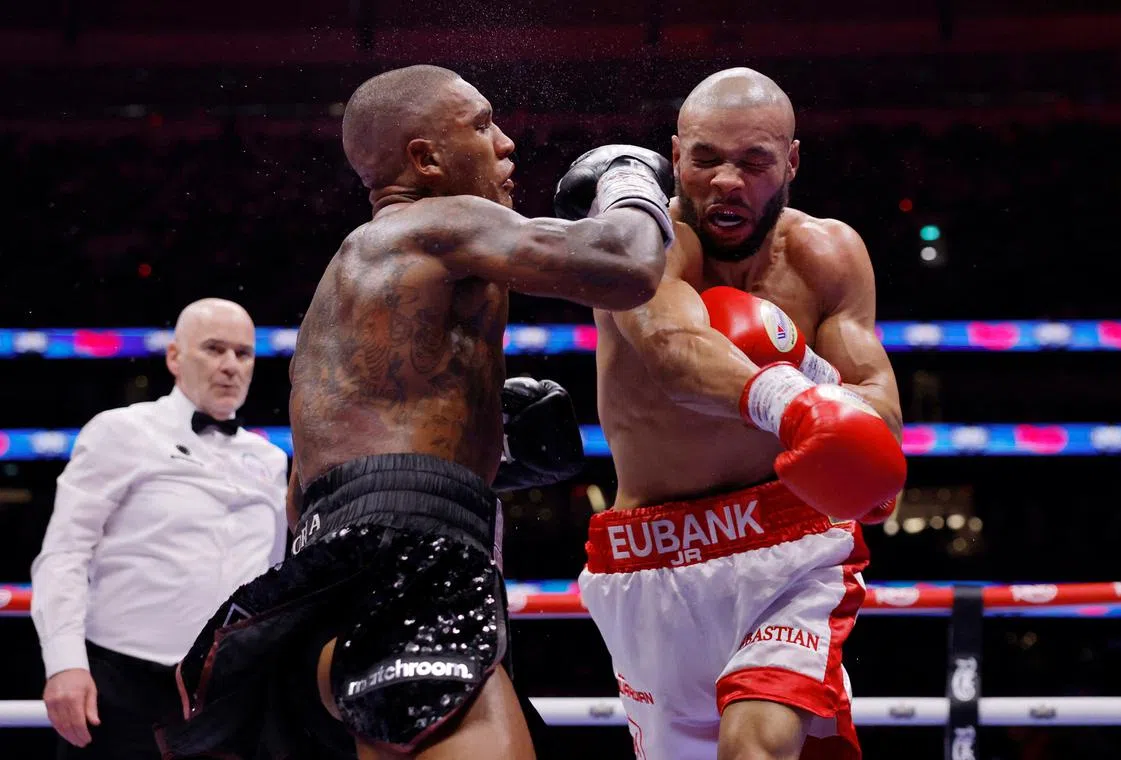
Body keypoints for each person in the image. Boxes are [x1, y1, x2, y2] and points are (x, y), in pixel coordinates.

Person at [154, 64, 673, 760]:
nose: (507, 143)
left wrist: (488, 452)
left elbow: (308, 492)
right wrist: (630, 180)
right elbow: (628, 265)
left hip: (323, 580)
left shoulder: (341, 297)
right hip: (411, 560)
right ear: (426, 160)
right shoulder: (440, 222)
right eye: (483, 125)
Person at [579, 68, 907, 760]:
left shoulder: (826, 254)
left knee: (756, 746)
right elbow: (675, 353)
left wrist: (814, 378)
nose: (727, 181)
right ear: (675, 156)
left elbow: (879, 409)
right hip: (652, 551)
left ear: (791, 162)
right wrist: (792, 396)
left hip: (791, 547)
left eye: (754, 162)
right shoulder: (642, 244)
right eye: (705, 159)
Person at [30, 298, 288, 760]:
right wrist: (64, 663)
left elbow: (271, 576)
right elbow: (65, 553)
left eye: (243, 353)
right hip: (121, 687)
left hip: (229, 694)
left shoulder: (269, 460)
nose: (231, 365)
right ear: (174, 357)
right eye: (214, 349)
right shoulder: (121, 432)